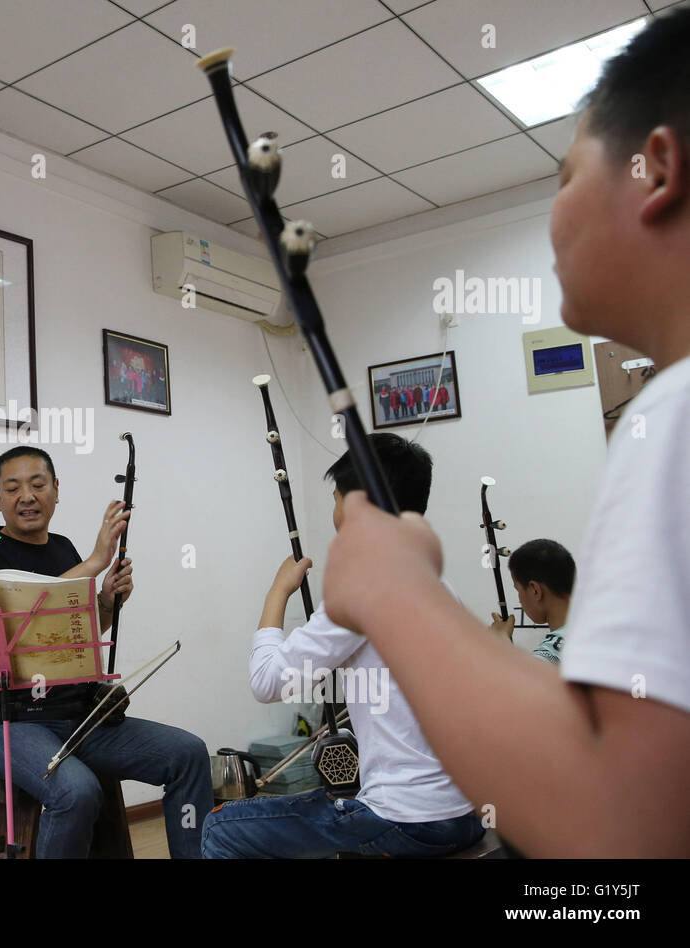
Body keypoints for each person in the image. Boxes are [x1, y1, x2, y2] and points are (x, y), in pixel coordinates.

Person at [323, 8, 690, 857]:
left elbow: (619, 824)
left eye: (564, 178)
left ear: (658, 168)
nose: (553, 215)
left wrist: (393, 592)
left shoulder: (671, 414)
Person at [202, 433, 482, 858]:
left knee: (220, 826)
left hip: (407, 821)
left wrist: (277, 592)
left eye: (337, 499)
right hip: (465, 812)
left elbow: (266, 681)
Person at [0, 446, 211, 858]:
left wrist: (106, 602)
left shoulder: (63, 549)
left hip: (79, 719)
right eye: (13, 488)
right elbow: (19, 627)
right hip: (5, 727)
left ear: (56, 490)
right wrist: (98, 560)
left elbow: (75, 636)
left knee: (187, 754)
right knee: (77, 790)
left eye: (38, 484)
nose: (27, 496)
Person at [487, 539, 574, 664]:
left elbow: (518, 680)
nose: (520, 600)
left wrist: (500, 642)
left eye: (518, 590)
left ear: (535, 590)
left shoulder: (552, 653)